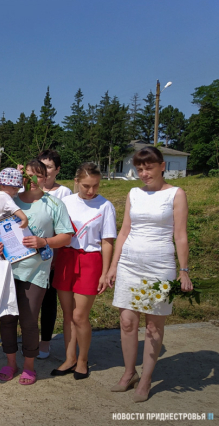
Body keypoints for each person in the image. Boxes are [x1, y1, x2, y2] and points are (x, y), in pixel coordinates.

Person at [106, 146, 192, 403]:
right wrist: (113, 266)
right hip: (129, 264)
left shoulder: (176, 194)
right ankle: (129, 373)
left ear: (162, 166)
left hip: (159, 266)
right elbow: (124, 231)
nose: (144, 173)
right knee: (127, 322)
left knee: (153, 325)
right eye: (140, 169)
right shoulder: (133, 193)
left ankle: (146, 379)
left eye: (149, 167)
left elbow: (180, 235)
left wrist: (184, 271)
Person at [0, 159, 73, 385]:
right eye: (29, 175)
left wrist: (44, 241)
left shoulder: (54, 204)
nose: (34, 180)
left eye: (39, 175)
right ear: (22, 177)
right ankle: (11, 363)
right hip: (7, 270)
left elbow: (66, 236)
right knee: (7, 319)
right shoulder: (10, 199)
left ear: (46, 177)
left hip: (35, 272)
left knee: (28, 320)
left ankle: (29, 365)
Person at [51, 163, 116, 380]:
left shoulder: (105, 206)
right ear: (76, 182)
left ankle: (83, 360)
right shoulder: (66, 202)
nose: (91, 190)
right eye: (86, 186)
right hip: (65, 258)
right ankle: (69, 358)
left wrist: (105, 272)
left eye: (95, 186)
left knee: (80, 316)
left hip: (90, 260)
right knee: (68, 314)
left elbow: (107, 241)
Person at [36, 149, 72, 359]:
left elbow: (64, 228)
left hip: (52, 255)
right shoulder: (28, 189)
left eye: (49, 167)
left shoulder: (64, 193)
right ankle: (30, 339)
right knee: (29, 301)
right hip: (29, 255)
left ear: (57, 169)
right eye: (41, 166)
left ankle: (45, 342)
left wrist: (55, 257)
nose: (45, 171)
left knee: (48, 301)